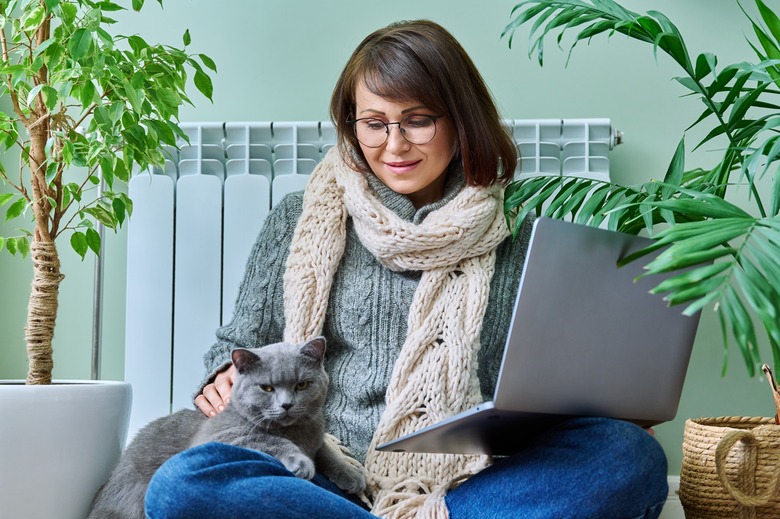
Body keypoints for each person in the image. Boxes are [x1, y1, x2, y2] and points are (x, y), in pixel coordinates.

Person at [145, 19, 668, 519]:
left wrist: (609, 406)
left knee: (626, 456)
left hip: (473, 481)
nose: (393, 145)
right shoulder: (298, 217)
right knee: (183, 483)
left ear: (461, 120)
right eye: (373, 124)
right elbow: (239, 342)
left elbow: (556, 379)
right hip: (323, 469)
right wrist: (220, 373)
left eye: (418, 120)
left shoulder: (521, 228)